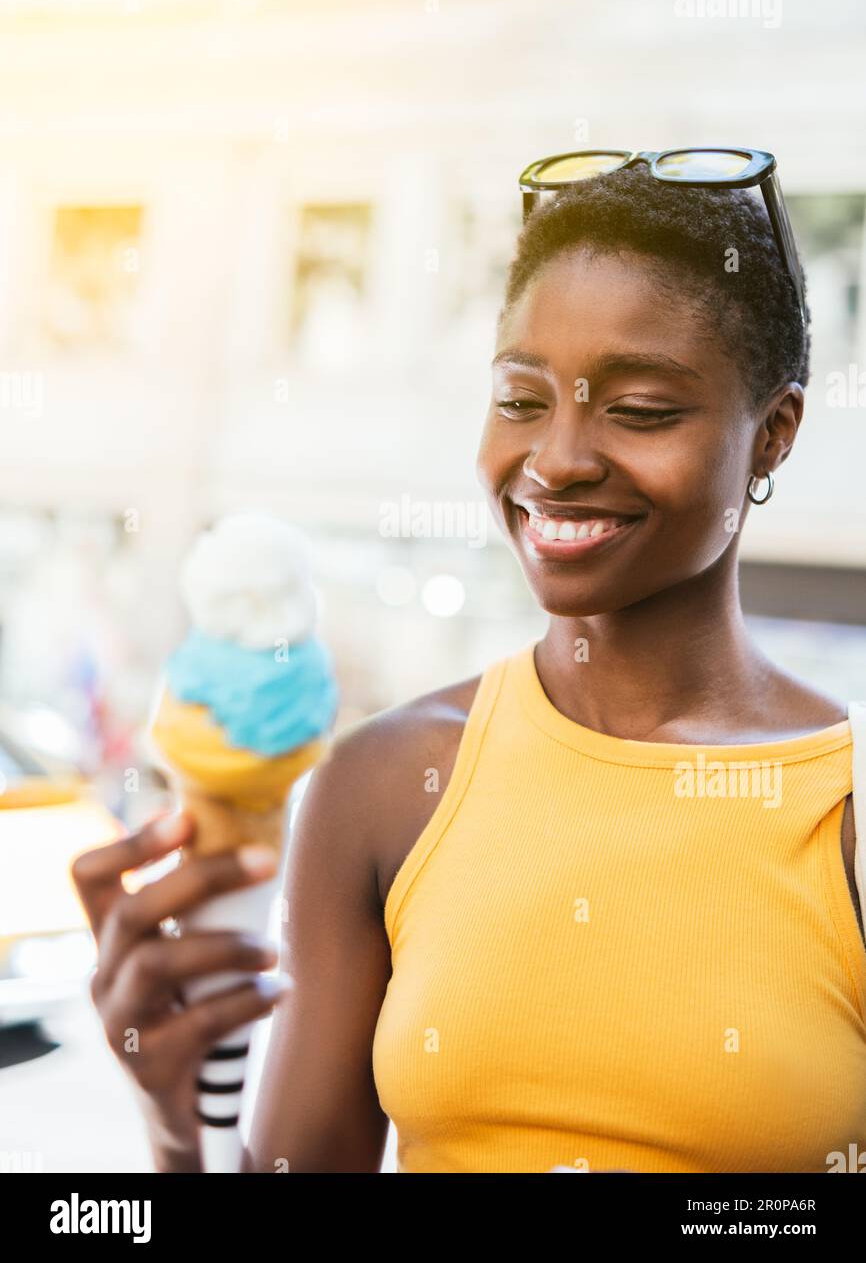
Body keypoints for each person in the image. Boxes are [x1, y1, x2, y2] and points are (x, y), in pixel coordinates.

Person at [73, 161, 866, 1173]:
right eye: (520, 398)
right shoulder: (383, 783)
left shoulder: (839, 811)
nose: (557, 458)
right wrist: (181, 1127)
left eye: (638, 408)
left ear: (773, 434)